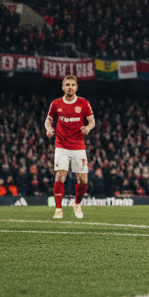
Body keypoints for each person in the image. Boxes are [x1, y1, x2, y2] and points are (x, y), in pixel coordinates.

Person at [45, 75, 96, 219]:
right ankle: (58, 209)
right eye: (67, 84)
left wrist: (88, 128)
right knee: (60, 174)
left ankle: (77, 203)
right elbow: (48, 120)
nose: (70, 87)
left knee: (83, 180)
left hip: (78, 146)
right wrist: (48, 129)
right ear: (63, 87)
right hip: (61, 145)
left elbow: (92, 122)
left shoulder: (83, 103)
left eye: (72, 85)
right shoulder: (56, 104)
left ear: (76, 87)